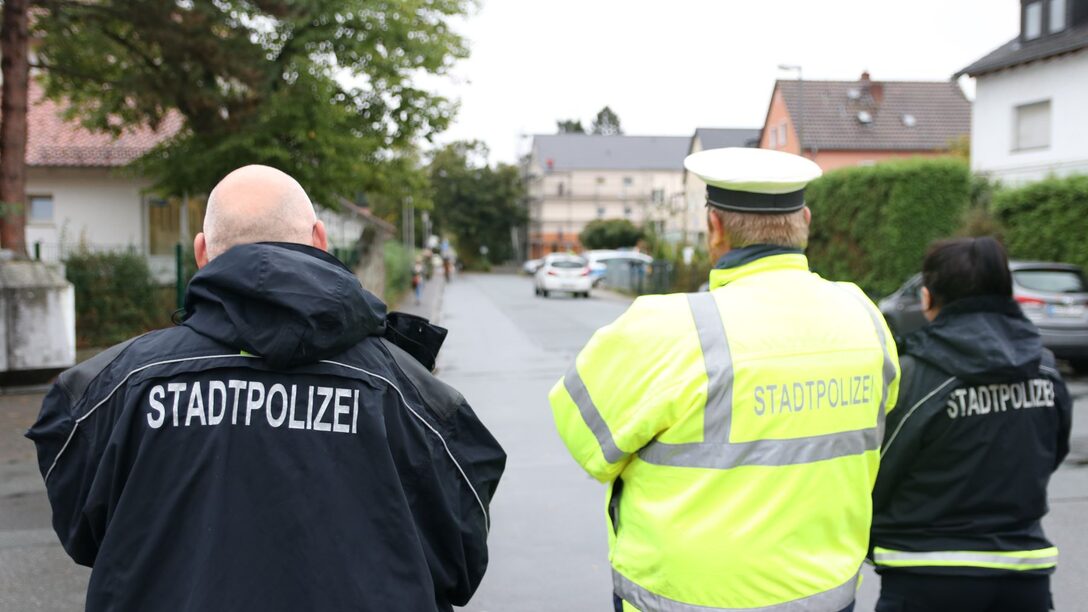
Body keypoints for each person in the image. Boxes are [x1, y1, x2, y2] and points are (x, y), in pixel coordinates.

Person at [27, 165, 505, 612]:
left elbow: (85, 536)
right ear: (319, 240)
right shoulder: (412, 395)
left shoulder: (108, 390)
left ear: (201, 253)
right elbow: (460, 560)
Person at [549, 147, 900, 612]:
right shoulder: (864, 316)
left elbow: (588, 446)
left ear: (714, 228)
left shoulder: (664, 328)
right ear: (806, 221)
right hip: (825, 599)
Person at [870, 237, 1072, 612]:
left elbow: (881, 468)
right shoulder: (1045, 369)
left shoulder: (917, 376)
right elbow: (1052, 450)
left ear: (928, 298)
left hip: (926, 577)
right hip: (1024, 576)